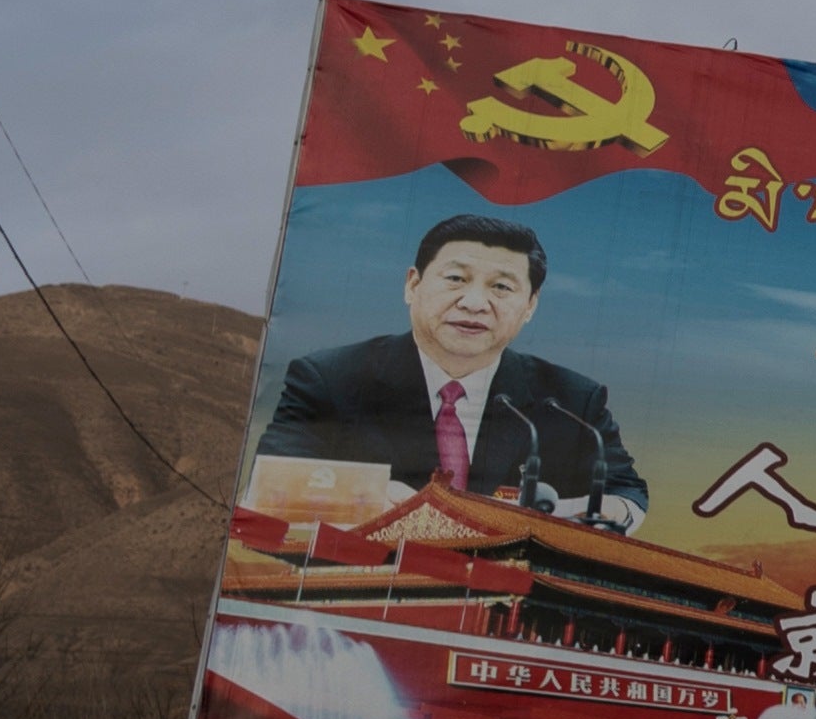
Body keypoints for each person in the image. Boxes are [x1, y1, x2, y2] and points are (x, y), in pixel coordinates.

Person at [259, 213, 646, 528]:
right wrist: (363, 496)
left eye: (501, 287)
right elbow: (270, 484)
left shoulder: (571, 400)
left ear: (530, 306)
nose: (475, 303)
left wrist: (597, 514)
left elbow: (627, 493)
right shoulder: (331, 378)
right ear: (413, 285)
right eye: (456, 279)